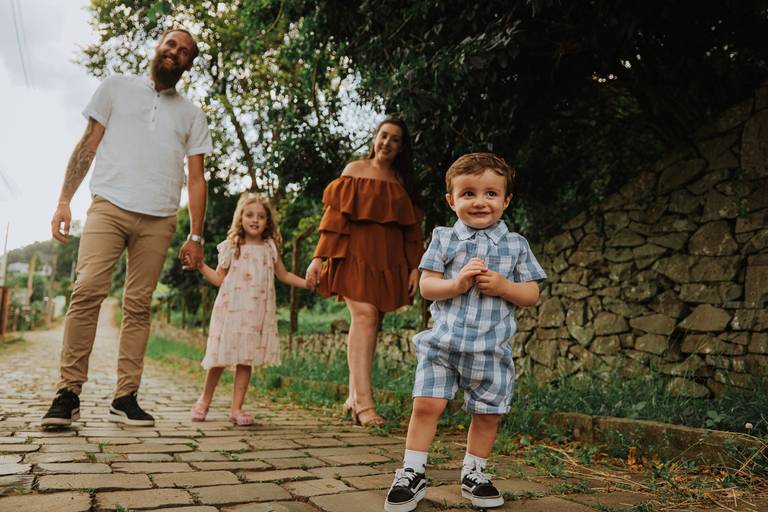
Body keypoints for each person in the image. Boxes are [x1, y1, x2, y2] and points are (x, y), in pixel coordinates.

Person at [42, 28, 212, 428]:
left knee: (138, 305)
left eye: (184, 51)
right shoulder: (116, 87)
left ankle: (125, 397)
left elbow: (196, 178)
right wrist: (64, 200)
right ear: (158, 47)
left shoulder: (192, 114)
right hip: (108, 206)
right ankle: (68, 393)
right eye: (171, 44)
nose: (175, 52)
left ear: (188, 64)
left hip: (159, 218)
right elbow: (88, 145)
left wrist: (196, 236)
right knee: (87, 291)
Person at [384, 153, 547, 512]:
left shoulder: (516, 244)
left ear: (506, 200)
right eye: (468, 193)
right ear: (451, 200)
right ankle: (412, 471)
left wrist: (505, 286)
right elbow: (427, 286)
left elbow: (532, 293)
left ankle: (475, 472)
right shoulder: (444, 239)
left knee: (487, 413)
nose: (479, 201)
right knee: (426, 404)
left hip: (491, 349)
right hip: (443, 344)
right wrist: (456, 284)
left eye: (491, 193)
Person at [305, 117, 423, 427]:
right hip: (353, 256)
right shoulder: (354, 170)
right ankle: (364, 405)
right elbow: (333, 220)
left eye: (395, 139)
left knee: (371, 324)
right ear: (374, 138)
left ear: (401, 147)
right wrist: (318, 259)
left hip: (388, 261)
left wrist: (414, 267)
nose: (387, 143)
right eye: (384, 135)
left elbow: (412, 231)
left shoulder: (402, 181)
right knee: (365, 317)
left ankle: (352, 396)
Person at [189, 194, 310, 425]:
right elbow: (218, 278)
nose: (255, 220)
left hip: (256, 315)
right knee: (219, 358)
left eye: (261, 216)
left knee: (246, 359)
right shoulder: (231, 247)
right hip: (231, 311)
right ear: (240, 217)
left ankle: (237, 409)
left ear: (268, 222)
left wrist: (307, 283)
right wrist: (200, 265)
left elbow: (283, 275)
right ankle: (203, 402)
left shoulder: (269, 247)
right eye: (250, 215)